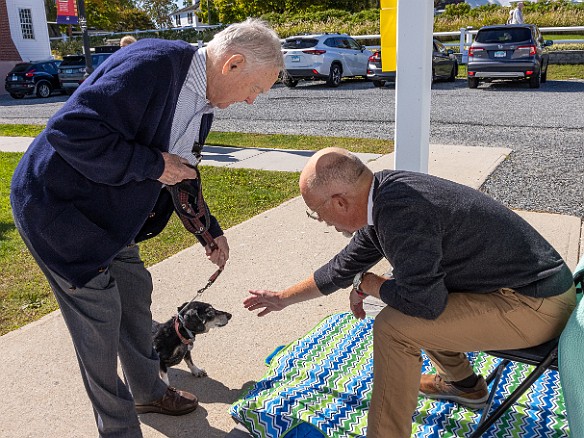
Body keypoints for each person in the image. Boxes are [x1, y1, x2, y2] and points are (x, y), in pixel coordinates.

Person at [11, 18, 283, 438]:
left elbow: (181, 169)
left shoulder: (203, 101)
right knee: (98, 326)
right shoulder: (151, 66)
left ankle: (149, 392)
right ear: (233, 63)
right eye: (257, 89)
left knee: (135, 295)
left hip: (109, 218)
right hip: (61, 215)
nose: (252, 100)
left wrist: (206, 229)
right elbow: (71, 132)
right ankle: (119, 429)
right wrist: (153, 164)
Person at [244, 148, 576, 437]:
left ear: (340, 201)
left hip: (535, 306)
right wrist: (282, 298)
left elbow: (423, 304)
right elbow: (342, 268)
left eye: (316, 211)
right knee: (412, 296)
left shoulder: (402, 214)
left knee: (394, 327)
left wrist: (373, 285)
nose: (320, 220)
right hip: (529, 294)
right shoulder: (383, 196)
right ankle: (466, 388)